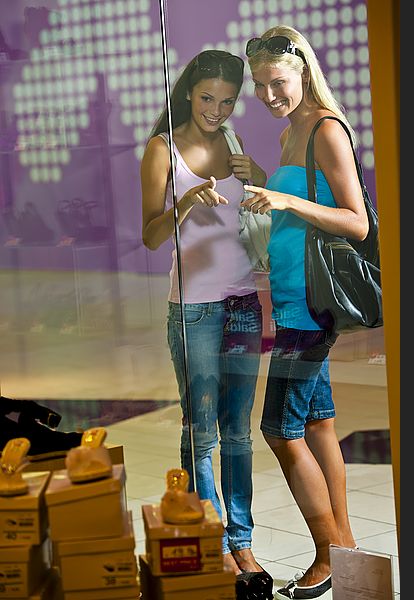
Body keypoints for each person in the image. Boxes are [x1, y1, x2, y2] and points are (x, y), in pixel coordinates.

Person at [140, 49, 273, 593]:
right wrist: (189, 199)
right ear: (188, 92)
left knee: (237, 432)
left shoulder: (236, 145)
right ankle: (212, 538)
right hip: (193, 306)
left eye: (226, 100)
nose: (216, 110)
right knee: (202, 433)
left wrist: (260, 177)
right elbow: (150, 236)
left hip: (244, 301)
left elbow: (263, 209)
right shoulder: (160, 148)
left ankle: (240, 542)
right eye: (206, 98)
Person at [243, 26, 368, 599]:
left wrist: (287, 198)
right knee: (318, 425)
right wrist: (265, 185)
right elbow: (297, 207)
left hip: (311, 308)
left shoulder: (324, 128)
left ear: (303, 72)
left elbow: (356, 220)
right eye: (260, 85)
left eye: (279, 83)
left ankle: (326, 555)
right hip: (292, 297)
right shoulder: (293, 130)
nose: (271, 96)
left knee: (278, 428)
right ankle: (345, 553)